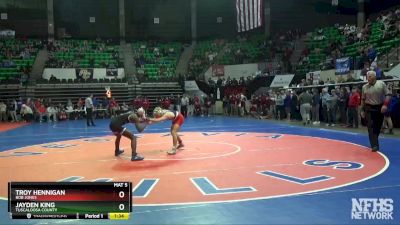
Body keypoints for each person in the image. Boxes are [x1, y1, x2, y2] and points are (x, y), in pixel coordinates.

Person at [361, 71, 391, 152]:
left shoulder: (381, 84)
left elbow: (388, 95)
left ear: (375, 76)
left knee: (377, 127)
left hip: (379, 107)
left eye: (370, 76)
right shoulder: (364, 87)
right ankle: (374, 145)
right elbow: (363, 99)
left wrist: (385, 105)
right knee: (370, 127)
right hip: (368, 108)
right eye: (367, 76)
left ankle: (374, 140)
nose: (368, 78)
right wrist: (362, 110)